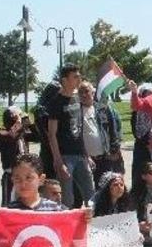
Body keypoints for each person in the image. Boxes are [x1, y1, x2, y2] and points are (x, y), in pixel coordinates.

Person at [47, 65, 94, 208]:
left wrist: (86, 155)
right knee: (67, 199)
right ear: (64, 80)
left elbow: (79, 129)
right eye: (75, 76)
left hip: (80, 155)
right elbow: (51, 134)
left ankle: (92, 228)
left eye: (79, 75)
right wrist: (58, 161)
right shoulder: (56, 102)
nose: (79, 78)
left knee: (91, 195)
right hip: (65, 157)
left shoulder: (77, 98)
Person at [77, 82, 123, 186]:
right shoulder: (75, 111)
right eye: (81, 92)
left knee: (105, 188)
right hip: (85, 159)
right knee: (87, 190)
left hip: (104, 158)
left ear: (93, 93)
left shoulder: (103, 109)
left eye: (86, 91)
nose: (83, 95)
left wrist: (115, 150)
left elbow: (113, 129)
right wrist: (85, 155)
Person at [0, 107, 36, 206]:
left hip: (25, 172)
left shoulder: (21, 131)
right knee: (7, 202)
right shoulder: (2, 131)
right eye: (16, 116)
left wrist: (30, 124)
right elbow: (12, 136)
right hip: (11, 173)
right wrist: (19, 121)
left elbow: (36, 136)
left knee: (26, 201)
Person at [129, 162, 152, 247]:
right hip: (145, 228)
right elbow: (130, 216)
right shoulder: (137, 194)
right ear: (143, 176)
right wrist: (139, 224)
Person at [34, 81, 61, 179]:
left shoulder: (42, 109)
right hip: (50, 151)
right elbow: (49, 134)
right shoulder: (44, 111)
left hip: (48, 150)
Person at [130, 87, 152, 188]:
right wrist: (146, 142)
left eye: (150, 95)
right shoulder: (136, 113)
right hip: (141, 148)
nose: (147, 98)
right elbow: (136, 132)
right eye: (145, 95)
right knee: (139, 175)